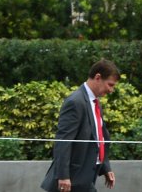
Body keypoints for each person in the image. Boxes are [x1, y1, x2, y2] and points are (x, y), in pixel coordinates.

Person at [41, 58, 119, 192]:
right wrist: (63, 176)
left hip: (86, 176)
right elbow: (63, 140)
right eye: (110, 84)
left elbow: (99, 136)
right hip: (72, 179)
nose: (111, 90)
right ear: (98, 77)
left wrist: (105, 166)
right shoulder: (75, 102)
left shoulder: (94, 102)